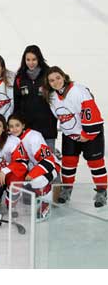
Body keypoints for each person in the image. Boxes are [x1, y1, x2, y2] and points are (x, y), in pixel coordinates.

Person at [43, 66, 107, 207]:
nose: (55, 82)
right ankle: (67, 189)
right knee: (68, 162)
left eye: (58, 78)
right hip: (70, 135)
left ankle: (102, 191)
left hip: (89, 133)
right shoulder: (52, 96)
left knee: (95, 163)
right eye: (51, 80)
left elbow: (91, 111)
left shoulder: (78, 90)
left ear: (64, 77)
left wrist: (87, 133)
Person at [8, 114, 60, 218]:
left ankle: (46, 204)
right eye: (11, 126)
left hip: (51, 166)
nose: (14, 129)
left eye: (17, 125)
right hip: (34, 166)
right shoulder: (12, 139)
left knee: (37, 180)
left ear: (23, 125)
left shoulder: (33, 137)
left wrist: (32, 174)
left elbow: (48, 160)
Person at [13, 45, 58, 152]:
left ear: (39, 59)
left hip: (47, 128)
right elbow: (17, 103)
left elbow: (59, 92)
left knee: (48, 162)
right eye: (28, 59)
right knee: (30, 161)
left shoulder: (48, 74)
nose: (31, 62)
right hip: (28, 129)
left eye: (34, 59)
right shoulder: (20, 77)